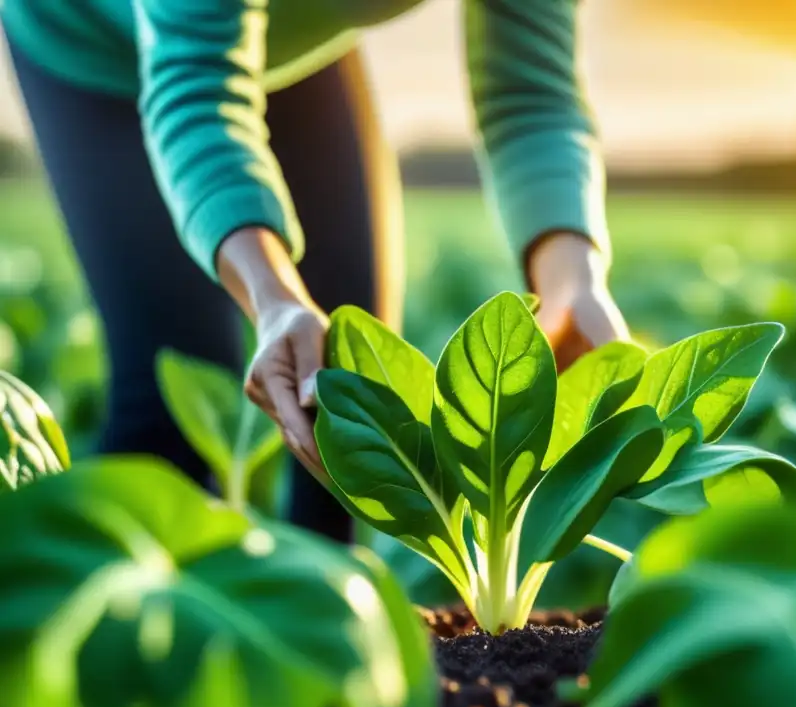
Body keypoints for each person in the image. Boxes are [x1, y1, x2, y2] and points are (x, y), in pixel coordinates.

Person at [0, 0, 631, 542]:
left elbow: (532, 91)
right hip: (92, 39)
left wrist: (573, 278)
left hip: (292, 42)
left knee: (350, 396)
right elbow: (195, 89)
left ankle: (342, 663)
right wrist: (274, 298)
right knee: (173, 393)